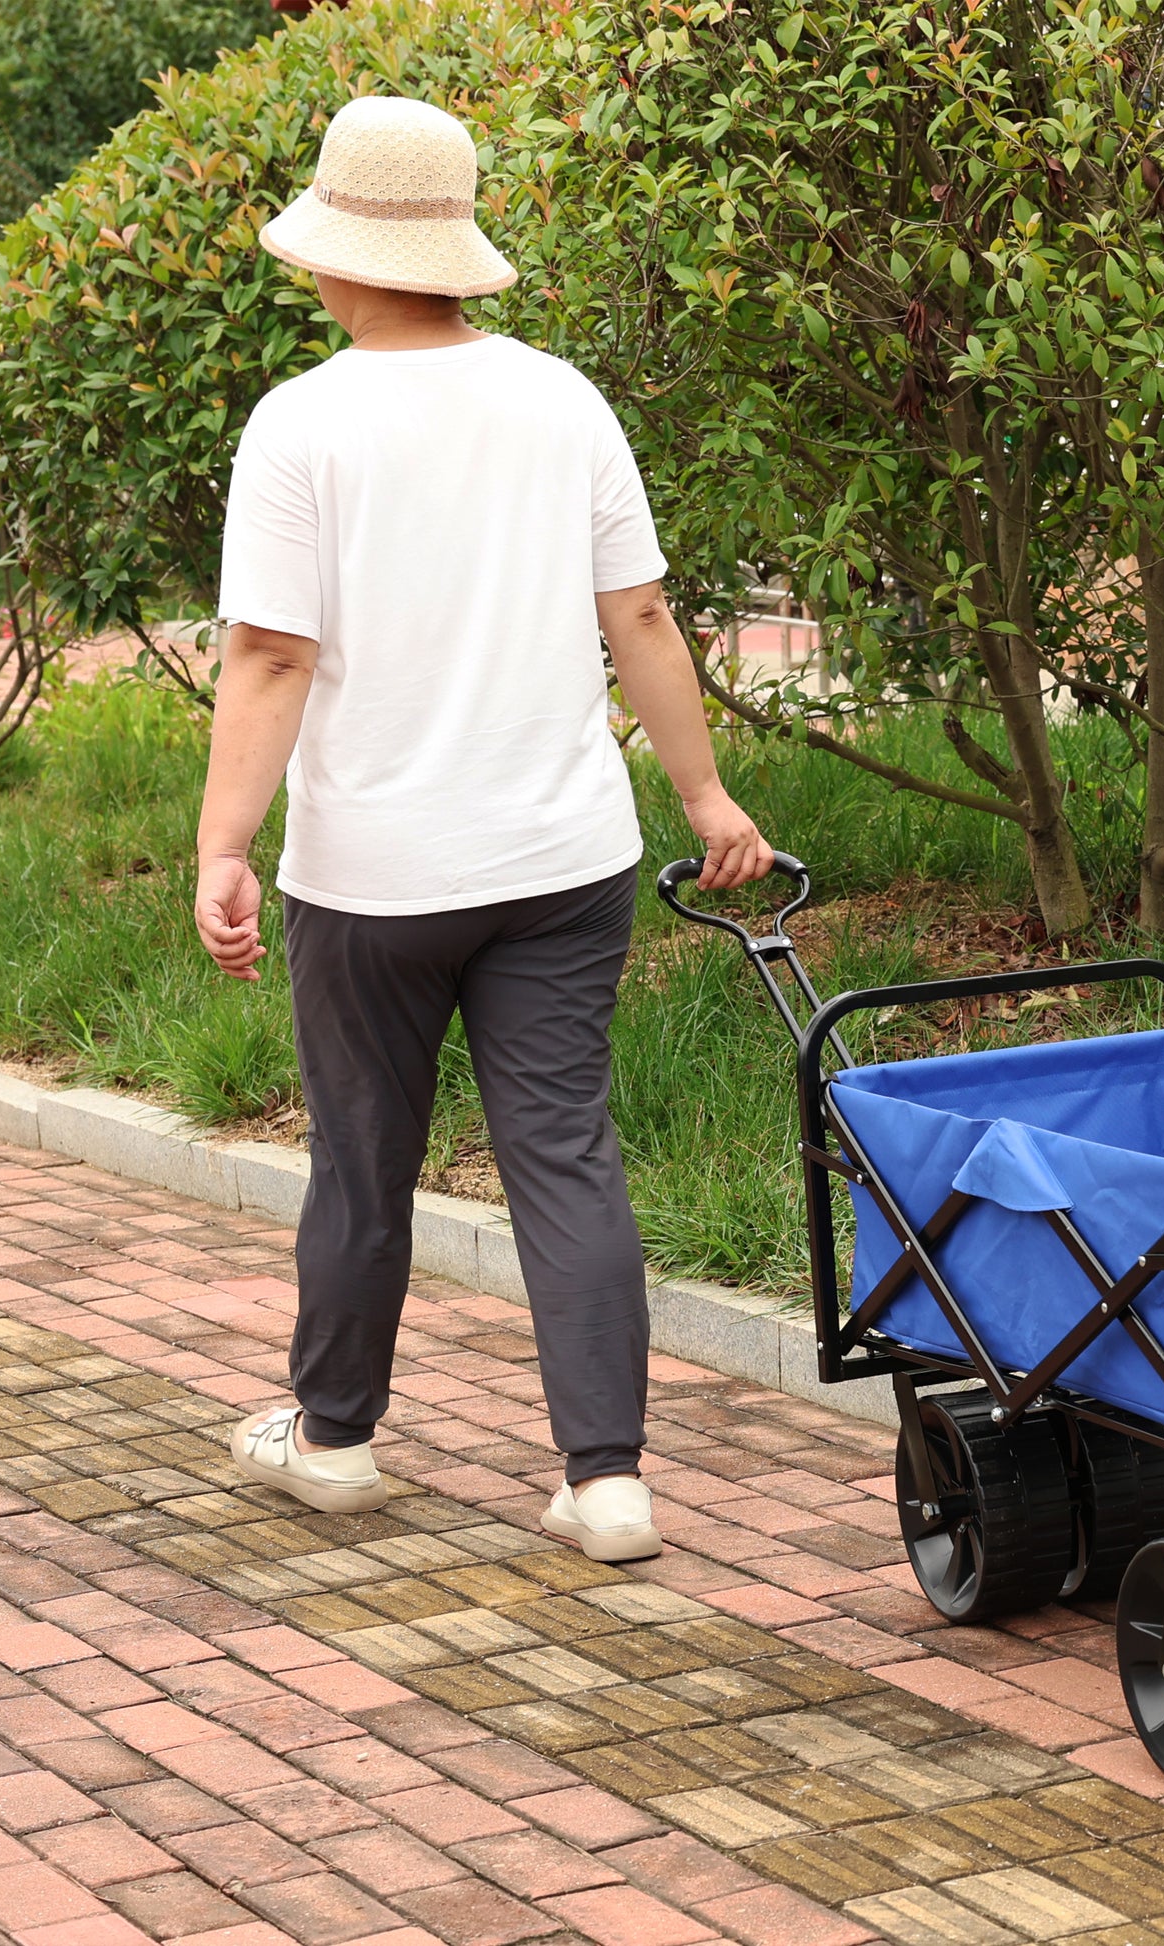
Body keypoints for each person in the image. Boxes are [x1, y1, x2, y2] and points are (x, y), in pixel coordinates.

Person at [195, 95, 772, 1562]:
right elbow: (635, 612)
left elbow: (269, 656)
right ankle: (607, 1479)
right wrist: (703, 797)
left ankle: (332, 1440)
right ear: (456, 252)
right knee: (563, 1153)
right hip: (561, 860)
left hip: (372, 879)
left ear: (334, 256)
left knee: (363, 1155)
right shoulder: (560, 399)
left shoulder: (299, 424)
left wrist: (224, 843)